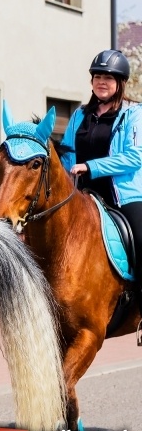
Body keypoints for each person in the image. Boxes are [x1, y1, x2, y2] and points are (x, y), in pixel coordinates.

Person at [61, 49, 142, 278]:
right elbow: (67, 154)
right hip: (82, 193)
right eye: (97, 77)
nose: (101, 82)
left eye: (108, 77)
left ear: (120, 82)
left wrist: (90, 166)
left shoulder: (134, 113)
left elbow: (135, 157)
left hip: (124, 197)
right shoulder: (80, 114)